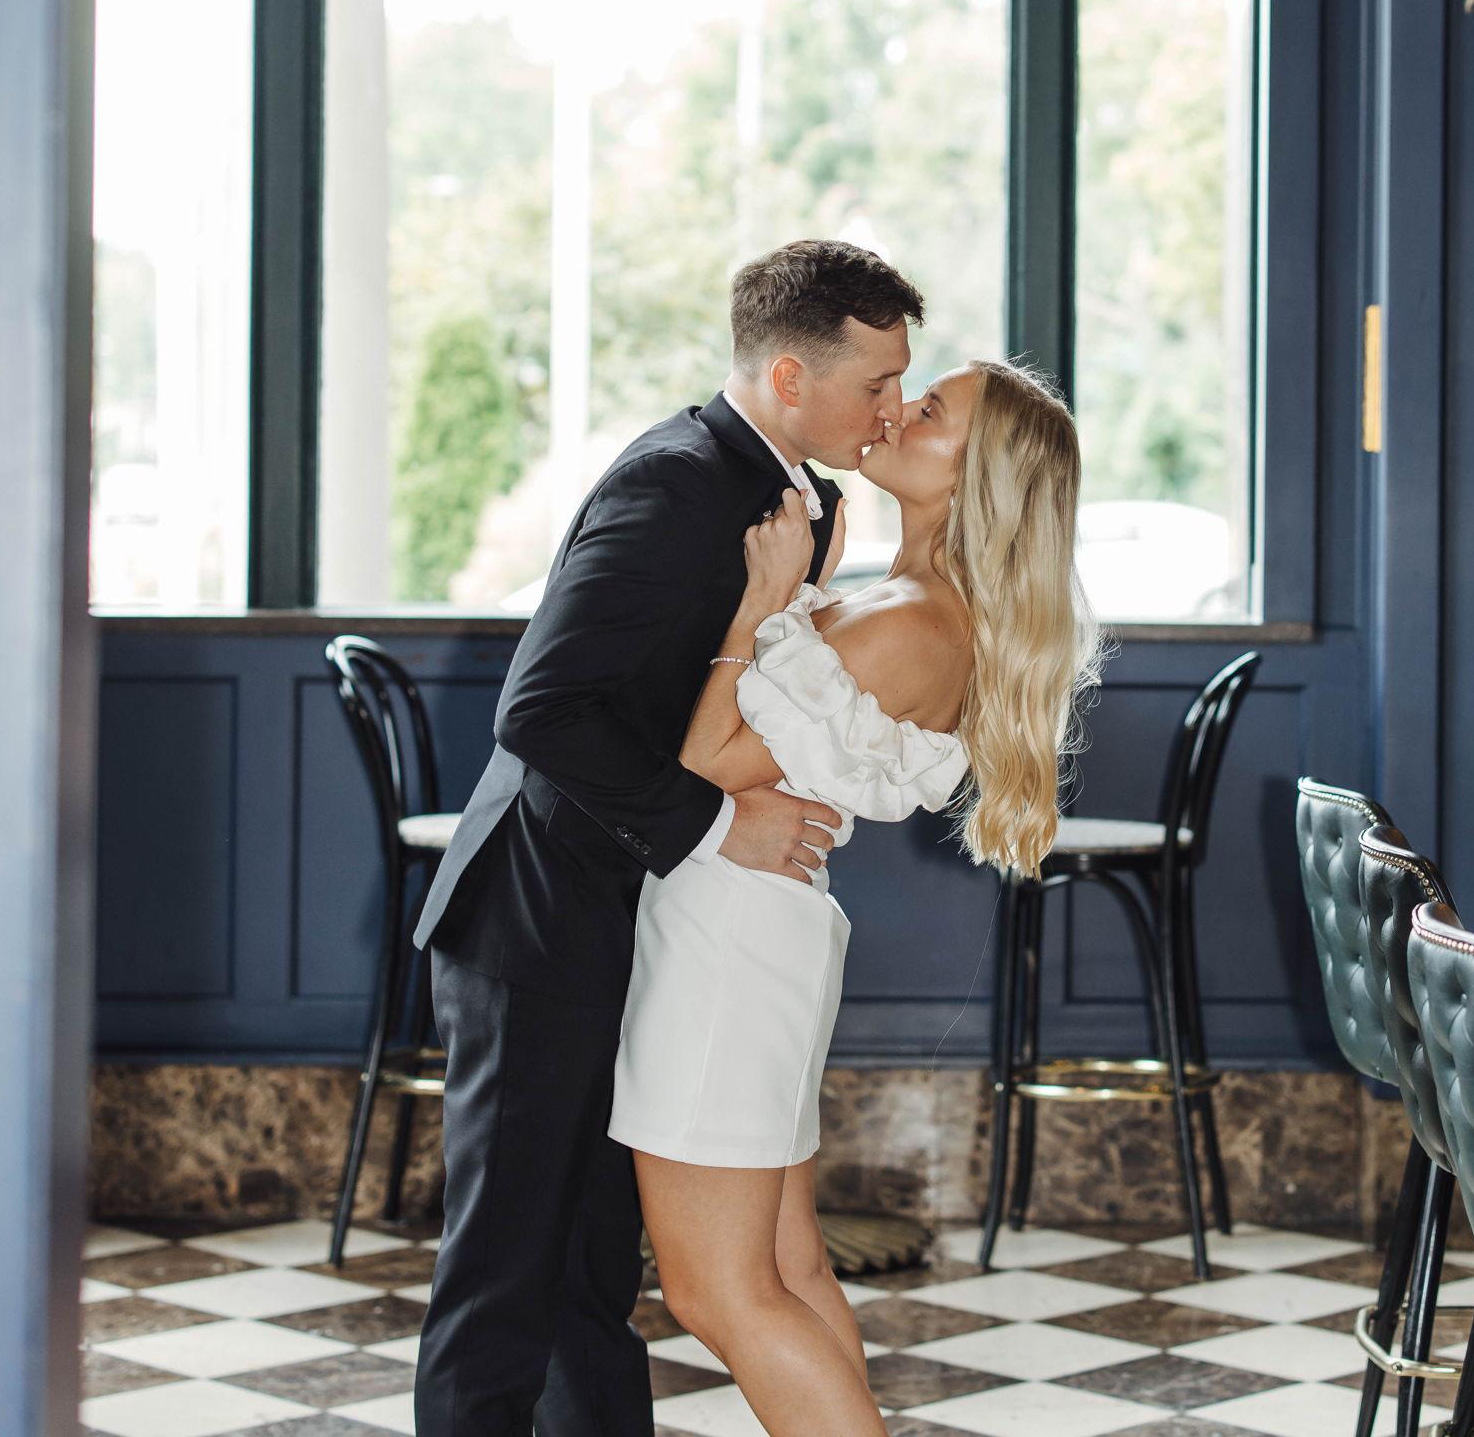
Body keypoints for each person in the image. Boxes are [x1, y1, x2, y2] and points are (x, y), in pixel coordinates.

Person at [412, 239, 925, 1437]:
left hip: (630, 921)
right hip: (537, 923)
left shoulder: (804, 498)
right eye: (875, 383)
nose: (890, 408)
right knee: (504, 1277)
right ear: (789, 377)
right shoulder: (676, 482)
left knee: (591, 1273)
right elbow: (539, 712)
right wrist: (719, 819)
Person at [610, 356, 1101, 1437]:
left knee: (715, 1291)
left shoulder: (916, 622)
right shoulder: (901, 598)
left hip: (728, 943)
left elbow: (707, 757)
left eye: (929, 411)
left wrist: (755, 605)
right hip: (750, 931)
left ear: (977, 476)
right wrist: (793, 595)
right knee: (787, 1267)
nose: (895, 412)